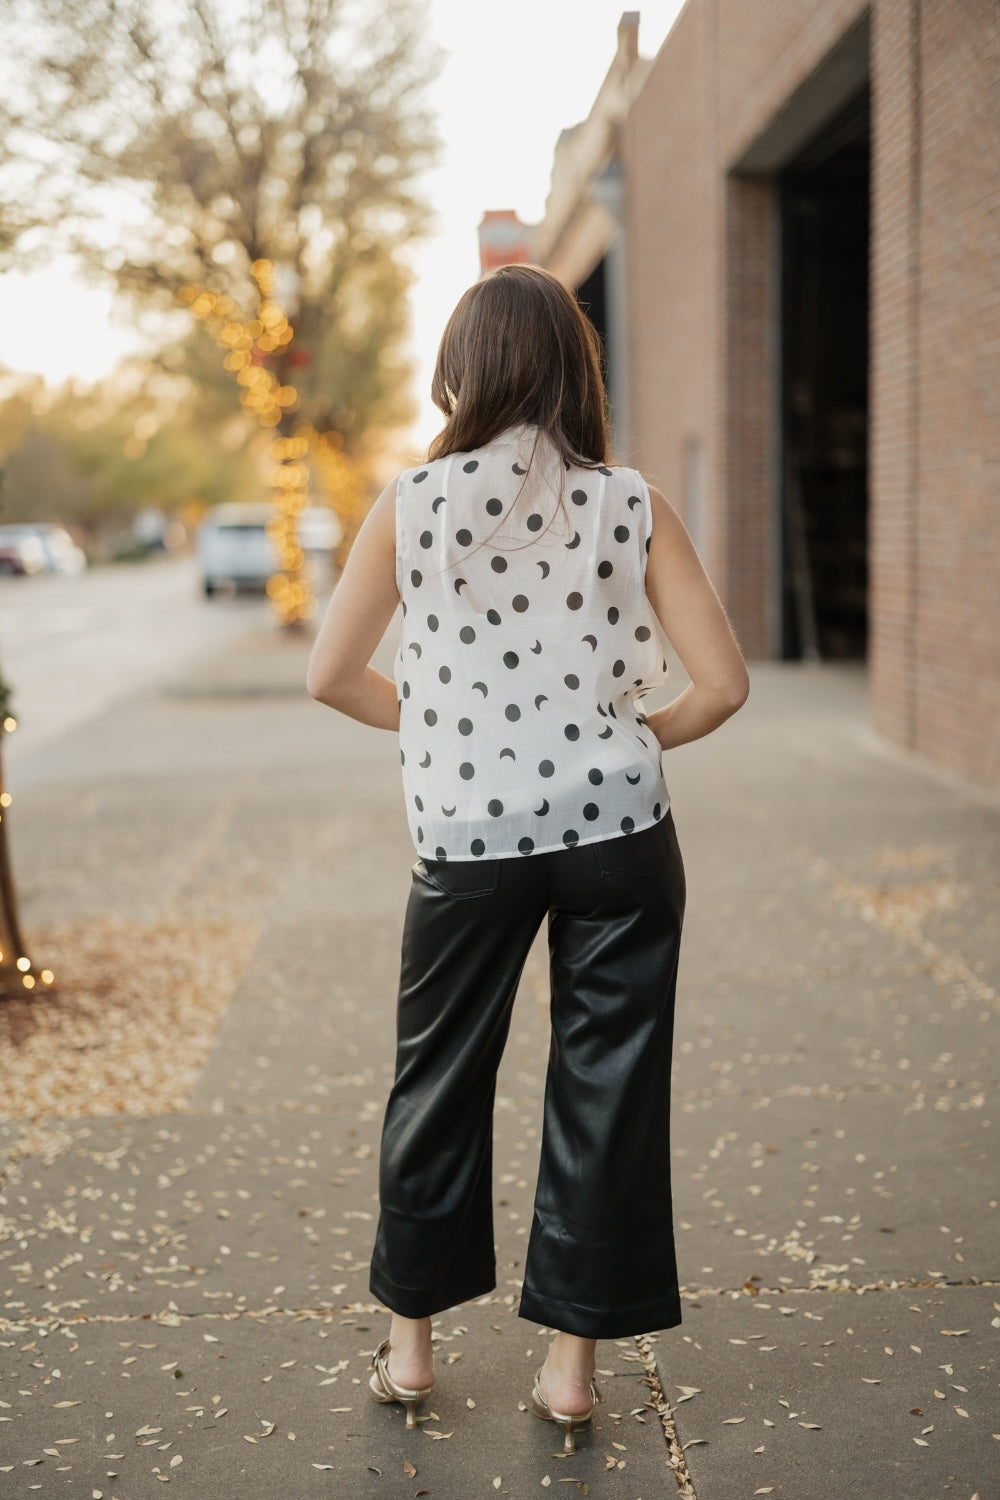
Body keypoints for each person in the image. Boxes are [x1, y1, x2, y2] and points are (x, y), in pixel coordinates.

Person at [306, 263, 749, 1451]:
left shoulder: (410, 502)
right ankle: (568, 1373)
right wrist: (625, 734)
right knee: (606, 1092)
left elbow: (331, 676)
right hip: (617, 832)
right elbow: (723, 687)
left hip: (467, 837)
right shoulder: (631, 502)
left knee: (436, 1078)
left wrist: (447, 727)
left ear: (463, 370)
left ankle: (409, 1349)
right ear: (575, 368)